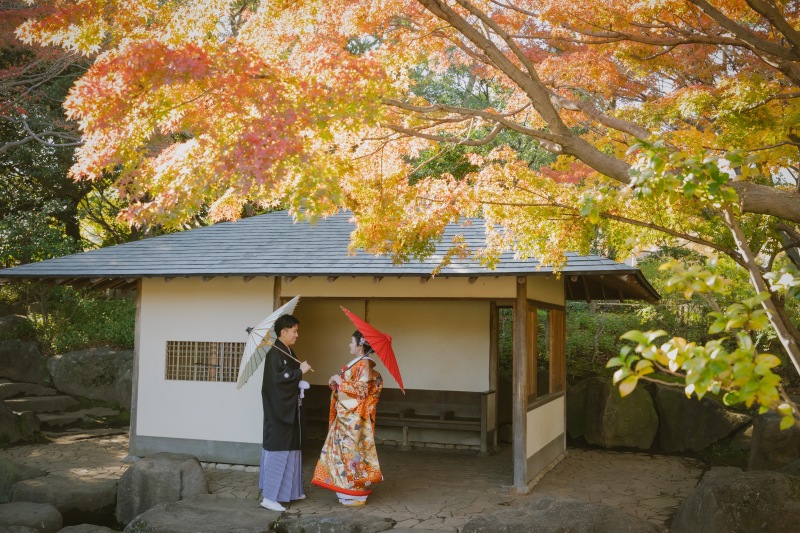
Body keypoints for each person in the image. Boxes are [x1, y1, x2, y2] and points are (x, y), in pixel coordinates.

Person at [311, 330, 384, 506]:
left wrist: (341, 382)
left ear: (361, 345)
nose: (349, 345)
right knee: (346, 453)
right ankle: (348, 489)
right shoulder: (358, 364)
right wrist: (338, 384)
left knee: (352, 455)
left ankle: (355, 491)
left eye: (352, 342)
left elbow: (362, 392)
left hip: (353, 420)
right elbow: (353, 390)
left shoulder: (363, 365)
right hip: (349, 416)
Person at [259, 313, 312, 512]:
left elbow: (289, 378)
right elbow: (278, 382)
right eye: (294, 331)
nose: (297, 334)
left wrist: (299, 378)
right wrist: (299, 373)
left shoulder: (287, 351)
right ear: (283, 331)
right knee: (278, 452)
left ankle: (288, 492)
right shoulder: (274, 353)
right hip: (279, 412)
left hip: (290, 410)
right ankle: (270, 497)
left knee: (290, 451)